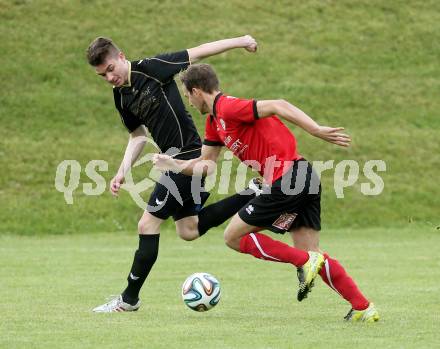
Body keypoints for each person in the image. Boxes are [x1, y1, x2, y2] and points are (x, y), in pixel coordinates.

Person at [153, 63, 380, 322]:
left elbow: (279, 104)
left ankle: (304, 261)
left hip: (288, 177)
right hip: (303, 177)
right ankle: (363, 306)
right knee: (313, 255)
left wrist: (316, 129)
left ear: (196, 91)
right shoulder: (214, 122)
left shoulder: (227, 106)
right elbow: (206, 165)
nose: (190, 103)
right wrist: (175, 165)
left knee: (233, 237)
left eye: (187, 97)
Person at [86, 35, 261, 312]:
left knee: (147, 225)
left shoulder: (152, 68)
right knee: (188, 230)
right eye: (102, 75)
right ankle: (254, 191)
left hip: (187, 157)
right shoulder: (121, 96)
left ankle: (129, 300)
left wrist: (242, 41)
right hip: (177, 161)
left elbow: (199, 51)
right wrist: (122, 172)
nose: (109, 77)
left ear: (121, 57)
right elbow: (137, 136)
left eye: (110, 69)